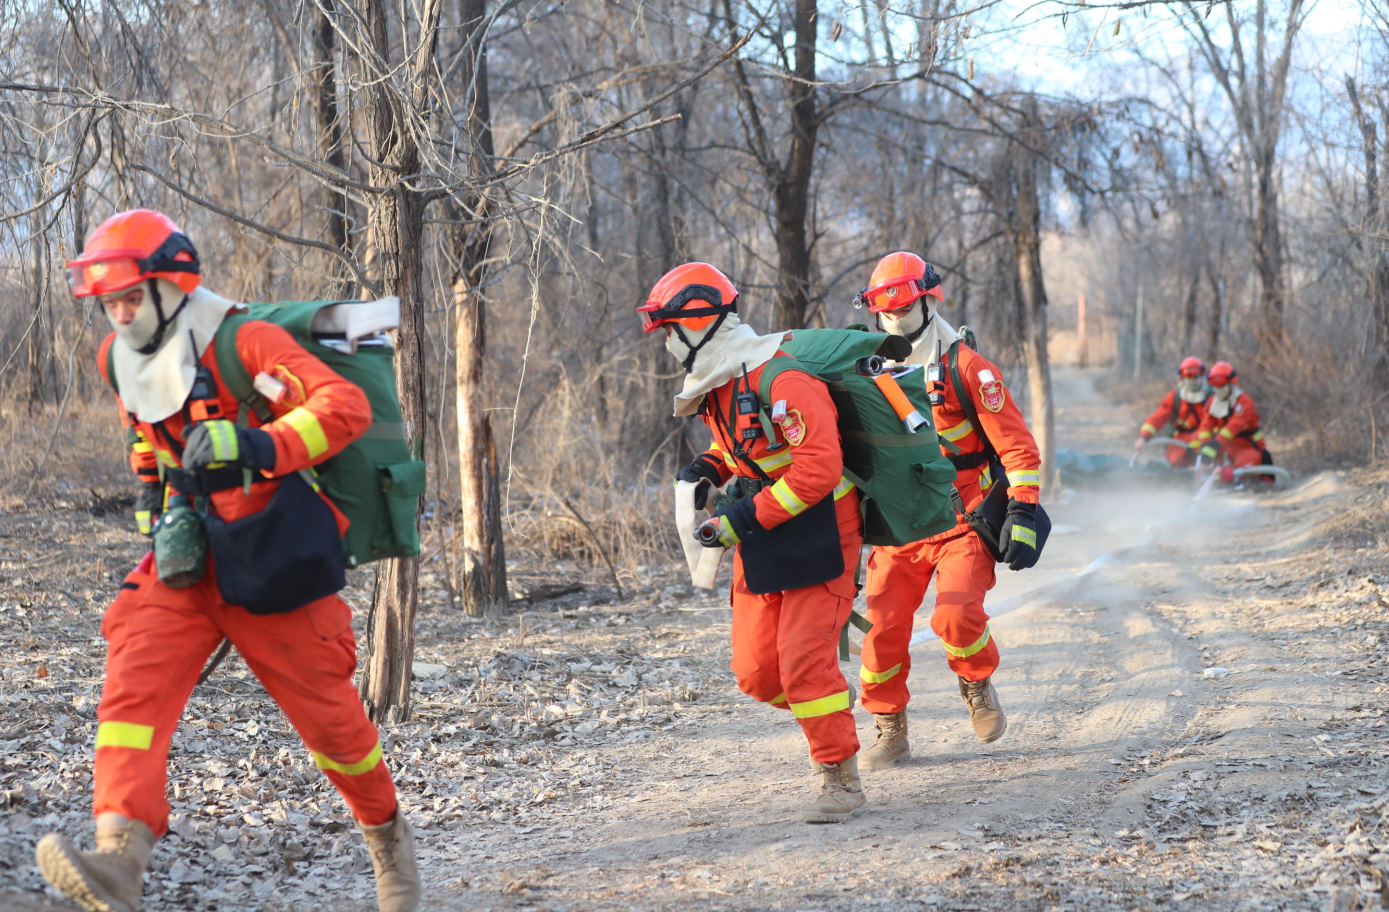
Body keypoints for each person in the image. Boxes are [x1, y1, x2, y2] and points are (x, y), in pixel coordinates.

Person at [38, 209, 418, 912]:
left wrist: (258, 447)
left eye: (128, 298)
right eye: (108, 303)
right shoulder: (114, 358)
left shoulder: (245, 340)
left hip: (274, 548)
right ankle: (120, 859)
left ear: (168, 286)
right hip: (187, 556)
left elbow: (344, 407)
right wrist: (156, 502)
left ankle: (387, 843)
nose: (118, 315)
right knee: (132, 686)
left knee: (334, 726)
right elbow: (147, 439)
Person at [642, 263, 868, 823]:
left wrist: (742, 519)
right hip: (763, 526)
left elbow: (817, 469)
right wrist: (708, 466)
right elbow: (747, 447)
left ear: (698, 324)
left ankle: (839, 774)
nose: (668, 342)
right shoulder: (724, 381)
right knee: (756, 671)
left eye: (670, 329)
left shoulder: (783, 380)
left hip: (822, 529)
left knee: (802, 662)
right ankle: (832, 704)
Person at [853, 252, 1042, 770]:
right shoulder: (861, 371)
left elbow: (1018, 450)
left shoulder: (968, 369)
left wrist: (1022, 513)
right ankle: (890, 731)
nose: (892, 319)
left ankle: (977, 683)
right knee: (881, 633)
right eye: (883, 311)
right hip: (896, 526)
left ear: (929, 300)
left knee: (956, 613)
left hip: (963, 518)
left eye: (903, 308)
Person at [1194, 361, 1272, 473]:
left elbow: (1234, 426)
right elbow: (1206, 425)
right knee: (1197, 453)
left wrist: (1215, 444)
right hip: (1223, 445)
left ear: (1231, 383)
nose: (1218, 389)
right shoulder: (1212, 402)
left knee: (1244, 466)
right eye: (1215, 386)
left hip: (1245, 445)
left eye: (1221, 386)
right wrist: (1205, 444)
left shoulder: (1244, 401)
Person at [1136, 356, 1210, 466]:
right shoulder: (1175, 397)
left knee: (1211, 463)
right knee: (1176, 460)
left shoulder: (1211, 397)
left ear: (1202, 376)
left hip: (1205, 440)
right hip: (1179, 441)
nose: (1193, 381)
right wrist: (1144, 437)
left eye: (1196, 377)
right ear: (1182, 378)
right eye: (1189, 377)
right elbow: (1158, 417)